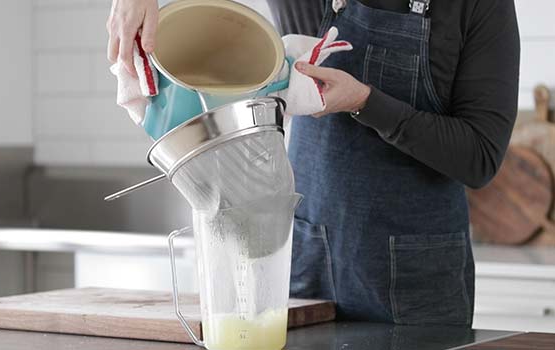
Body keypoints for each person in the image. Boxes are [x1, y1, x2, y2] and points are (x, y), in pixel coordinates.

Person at [107, 0, 520, 326]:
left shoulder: (477, 5)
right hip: (302, 266)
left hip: (418, 283)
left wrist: (365, 102)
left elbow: (480, 156)